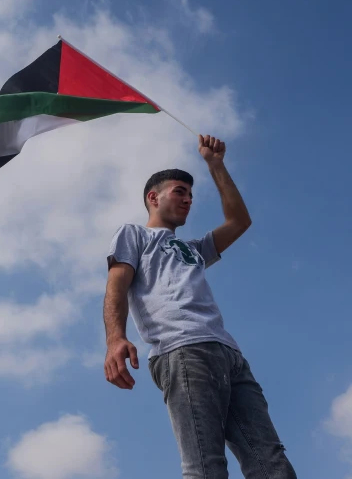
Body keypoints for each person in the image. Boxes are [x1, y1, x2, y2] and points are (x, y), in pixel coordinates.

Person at [103, 134, 297, 479]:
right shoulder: (135, 235)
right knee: (205, 467)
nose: (188, 200)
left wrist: (215, 164)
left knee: (272, 463)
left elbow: (239, 222)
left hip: (230, 355)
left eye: (191, 195)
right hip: (181, 349)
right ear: (153, 197)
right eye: (180, 191)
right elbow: (117, 283)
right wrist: (115, 339)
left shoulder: (193, 249)